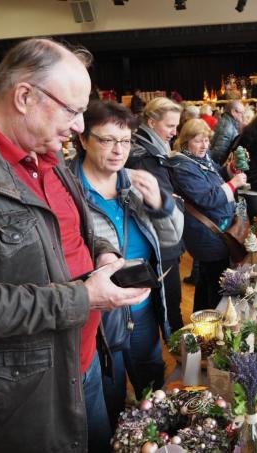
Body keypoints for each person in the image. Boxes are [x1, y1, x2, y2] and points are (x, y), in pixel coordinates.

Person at [0, 38, 152, 453]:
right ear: (25, 96)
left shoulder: (46, 154)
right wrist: (83, 297)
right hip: (26, 394)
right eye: (73, 110)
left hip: (82, 362)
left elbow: (75, 223)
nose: (81, 126)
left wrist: (102, 250)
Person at [69, 100, 184, 430]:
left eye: (125, 140)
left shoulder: (133, 182)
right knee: (110, 397)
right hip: (100, 319)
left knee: (153, 389)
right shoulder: (69, 189)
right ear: (83, 140)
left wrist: (160, 204)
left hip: (143, 307)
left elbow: (172, 238)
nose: (119, 150)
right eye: (107, 140)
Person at [169, 119, 247, 310]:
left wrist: (230, 169)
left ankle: (202, 321)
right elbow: (207, 197)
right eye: (198, 140)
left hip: (213, 231)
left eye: (206, 140)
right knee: (215, 282)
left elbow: (215, 176)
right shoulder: (183, 166)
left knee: (207, 280)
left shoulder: (198, 158)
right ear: (186, 141)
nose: (204, 145)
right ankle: (213, 323)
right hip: (208, 234)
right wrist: (234, 184)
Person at [125, 97, 186, 332]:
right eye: (170, 125)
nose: (174, 131)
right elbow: (160, 200)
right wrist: (174, 203)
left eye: (176, 126)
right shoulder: (145, 156)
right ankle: (180, 356)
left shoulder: (153, 148)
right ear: (151, 121)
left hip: (162, 238)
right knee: (170, 307)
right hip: (161, 243)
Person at [211, 100, 245, 165]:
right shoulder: (228, 127)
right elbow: (219, 153)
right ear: (233, 112)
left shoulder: (226, 122)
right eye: (242, 113)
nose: (243, 116)